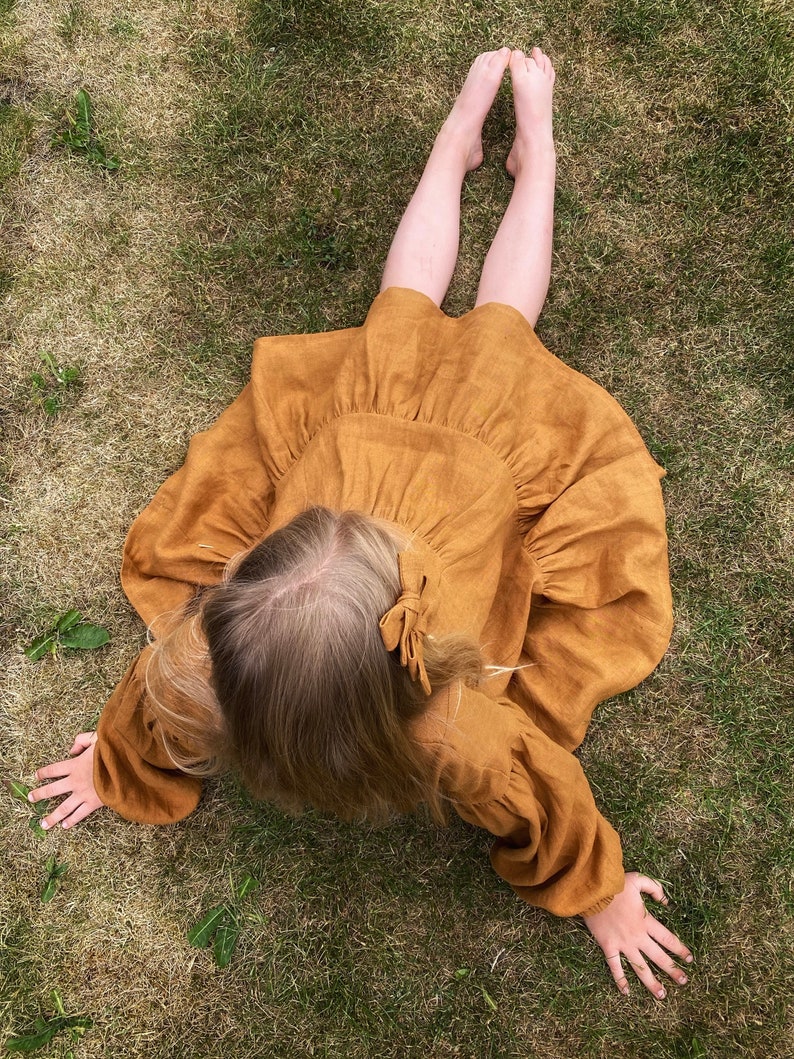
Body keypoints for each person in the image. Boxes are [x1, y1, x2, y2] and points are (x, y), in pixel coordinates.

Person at [29, 48, 693, 998]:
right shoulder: (417, 725)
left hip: (444, 455)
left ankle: (517, 145)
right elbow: (153, 710)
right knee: (439, 307)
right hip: (364, 445)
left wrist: (599, 889)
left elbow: (546, 805)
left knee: (473, 313)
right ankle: (485, 143)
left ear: (235, 591)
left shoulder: (265, 683)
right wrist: (120, 766)